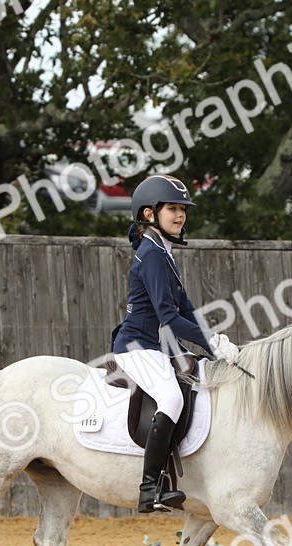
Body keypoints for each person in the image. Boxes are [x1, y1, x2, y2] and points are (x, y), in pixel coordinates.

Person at [110, 174, 240, 513]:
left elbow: (186, 310)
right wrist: (210, 338)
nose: (180, 215)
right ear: (150, 214)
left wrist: (216, 346)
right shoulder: (152, 254)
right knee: (170, 397)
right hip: (138, 345)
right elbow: (169, 318)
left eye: (183, 209)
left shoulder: (163, 252)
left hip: (159, 346)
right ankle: (149, 487)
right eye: (172, 208)